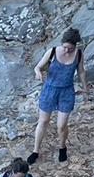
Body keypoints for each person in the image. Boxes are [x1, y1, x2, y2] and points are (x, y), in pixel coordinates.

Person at [29, 28, 86, 164]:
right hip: (50, 90)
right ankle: (35, 150)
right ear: (62, 43)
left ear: (75, 47)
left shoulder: (78, 54)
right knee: (43, 121)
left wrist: (85, 87)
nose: (67, 51)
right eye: (65, 47)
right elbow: (38, 67)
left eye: (70, 49)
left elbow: (81, 71)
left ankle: (62, 147)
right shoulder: (53, 51)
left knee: (61, 125)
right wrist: (38, 73)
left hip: (66, 92)